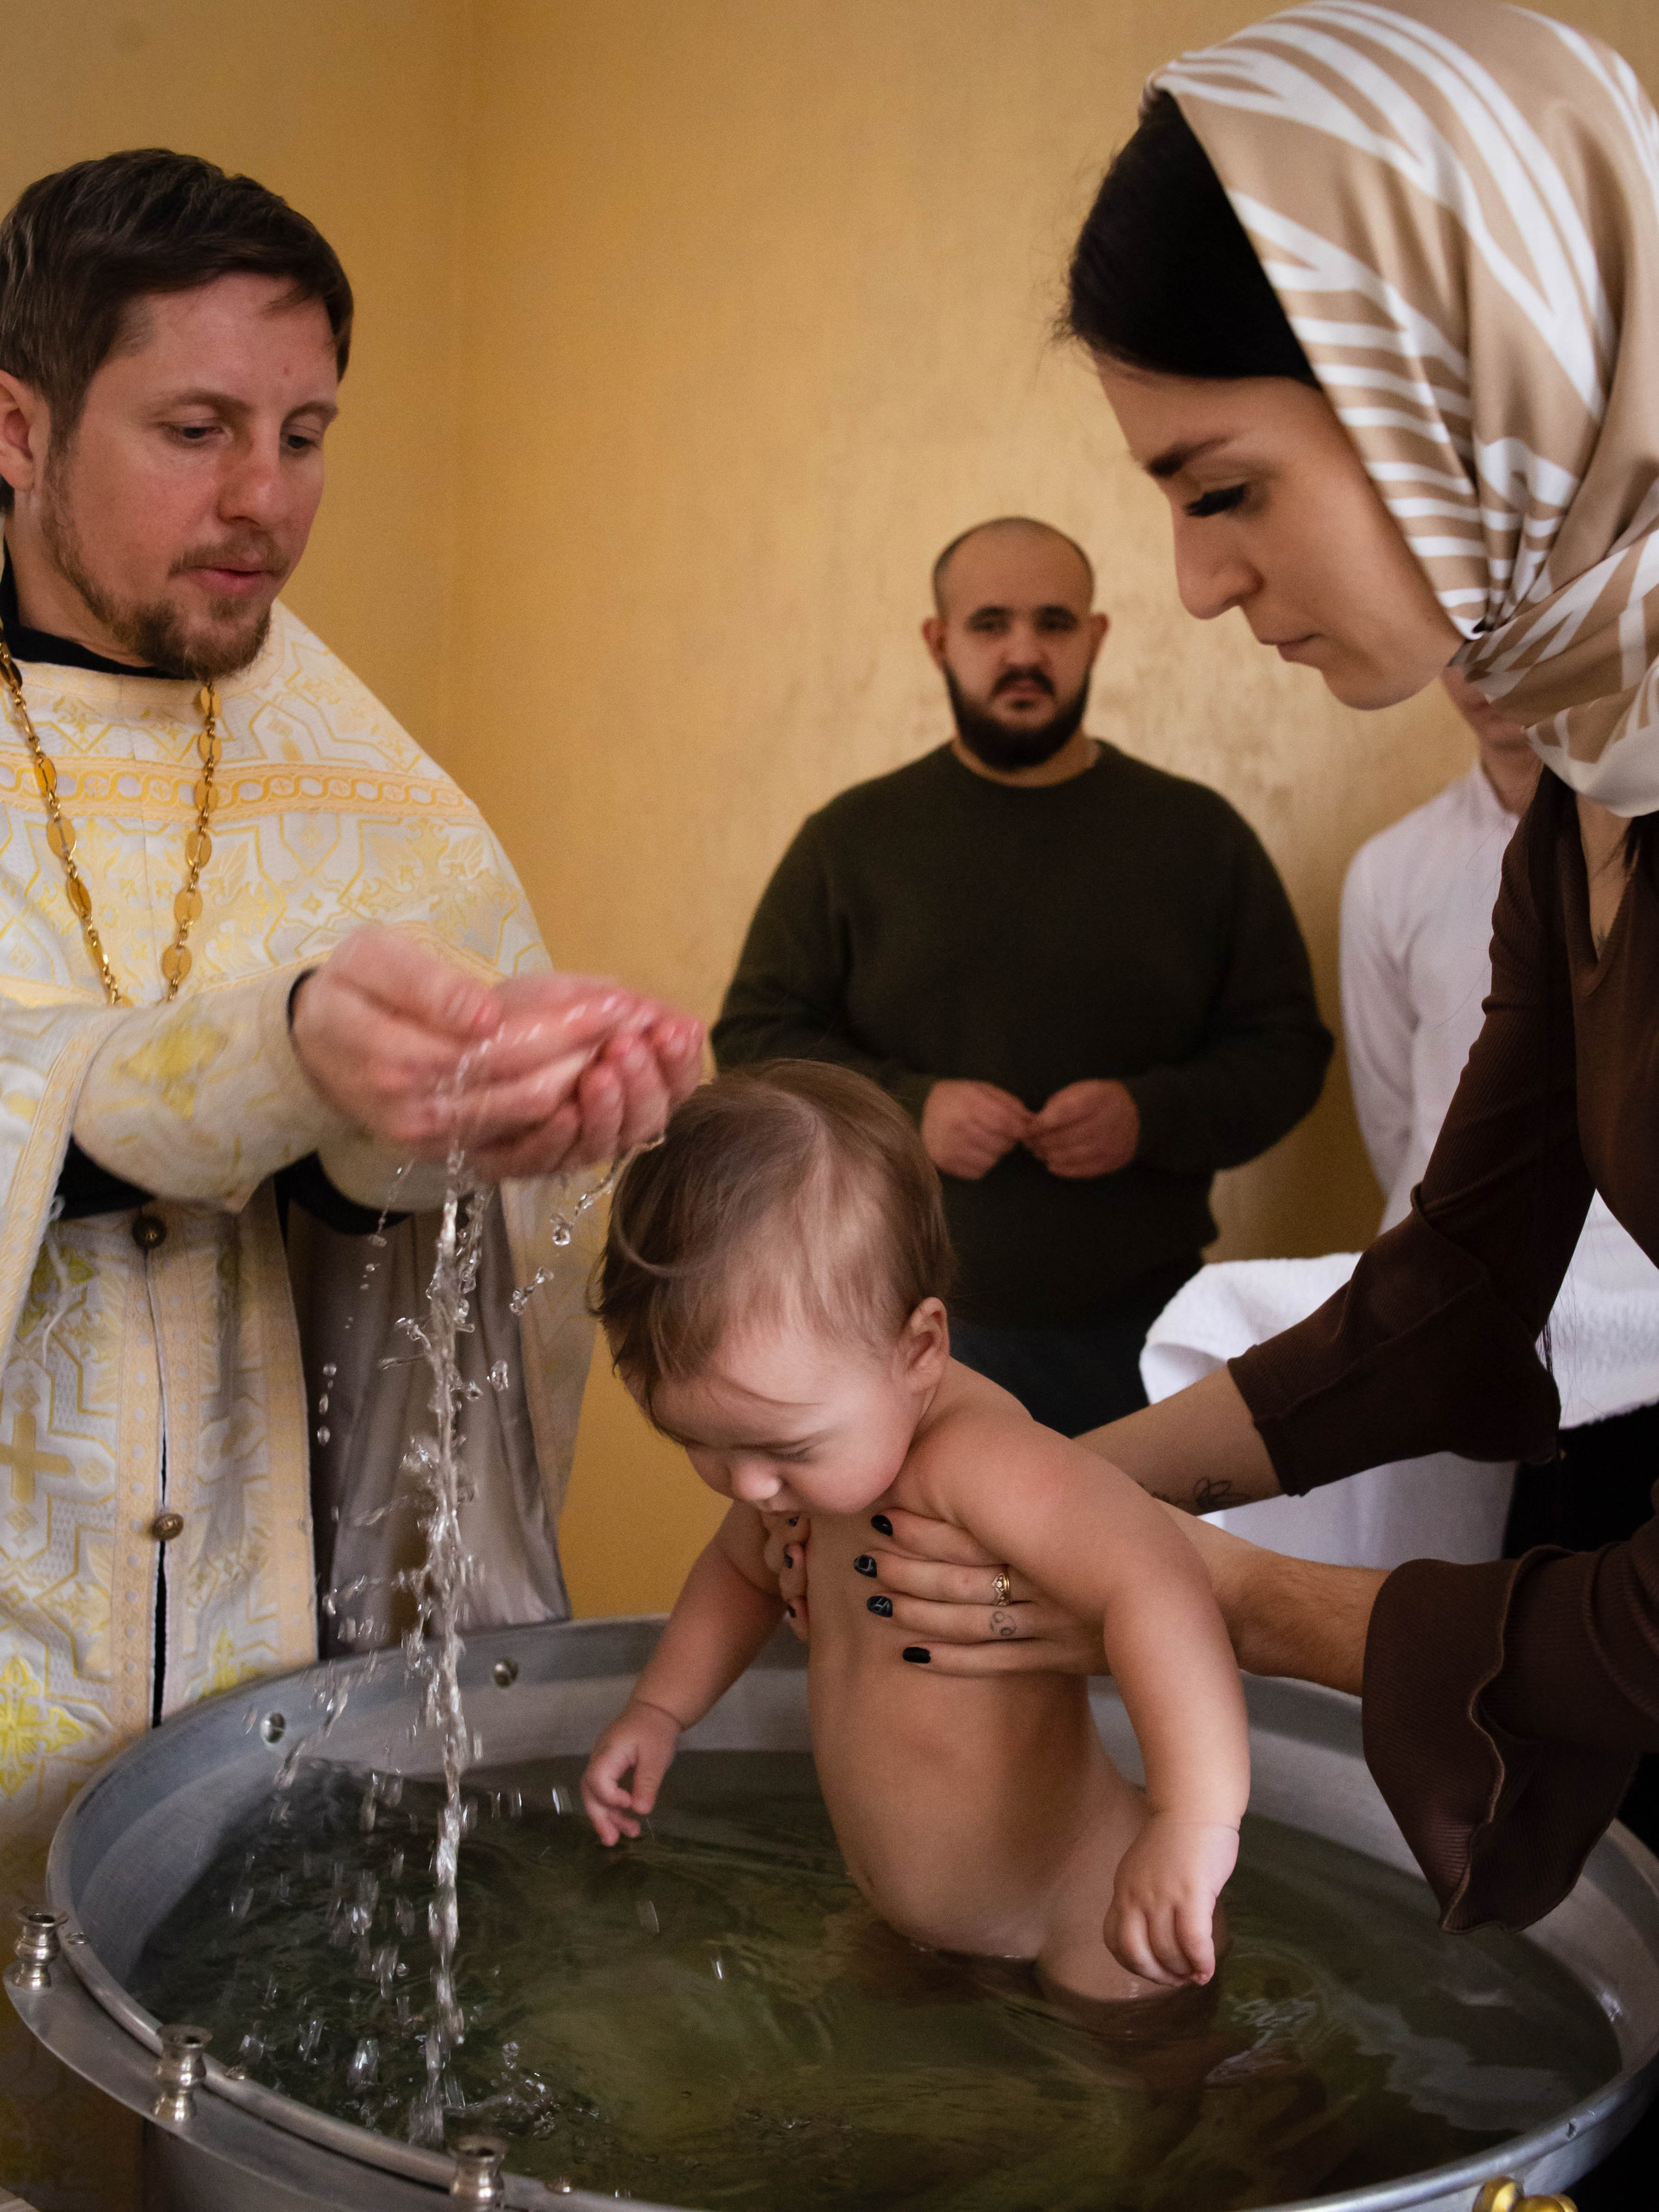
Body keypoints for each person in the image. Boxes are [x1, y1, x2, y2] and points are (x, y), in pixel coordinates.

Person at [773, 0, 1659, 1962]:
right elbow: (1456, 1277)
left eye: (1225, 485)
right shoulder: (1589, 794)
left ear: (1459, 382)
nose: (1189, 584)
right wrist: (1026, 1483)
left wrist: (1199, 1593)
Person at [0, 152, 701, 2202]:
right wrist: (251, 1050)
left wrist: (476, 1114)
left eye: (305, 435)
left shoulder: (358, 774)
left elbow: (406, 1247)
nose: (267, 502)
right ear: (19, 424)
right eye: (197, 430)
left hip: (240, 1658)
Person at [579, 1061, 1248, 2003]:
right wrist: (660, 1710)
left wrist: (1192, 1820)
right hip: (925, 1917)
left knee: (1152, 2104)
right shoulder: (810, 1460)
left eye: (783, 1446)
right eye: (699, 1442)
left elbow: (1159, 1580)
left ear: (920, 1349)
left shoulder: (978, 1462)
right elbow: (738, 1573)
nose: (749, 1484)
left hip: (1090, 1912)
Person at [712, 517, 1330, 1434]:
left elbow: (1287, 1053)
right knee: (920, 1580)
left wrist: (1148, 1114)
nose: (1024, 651)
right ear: (940, 641)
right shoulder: (853, 841)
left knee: (1135, 1577)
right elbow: (755, 1043)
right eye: (991, 624)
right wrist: (907, 1110)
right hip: (897, 1327)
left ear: (1096, 637)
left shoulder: (1198, 838)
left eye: (1053, 622)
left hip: (1149, 1328)